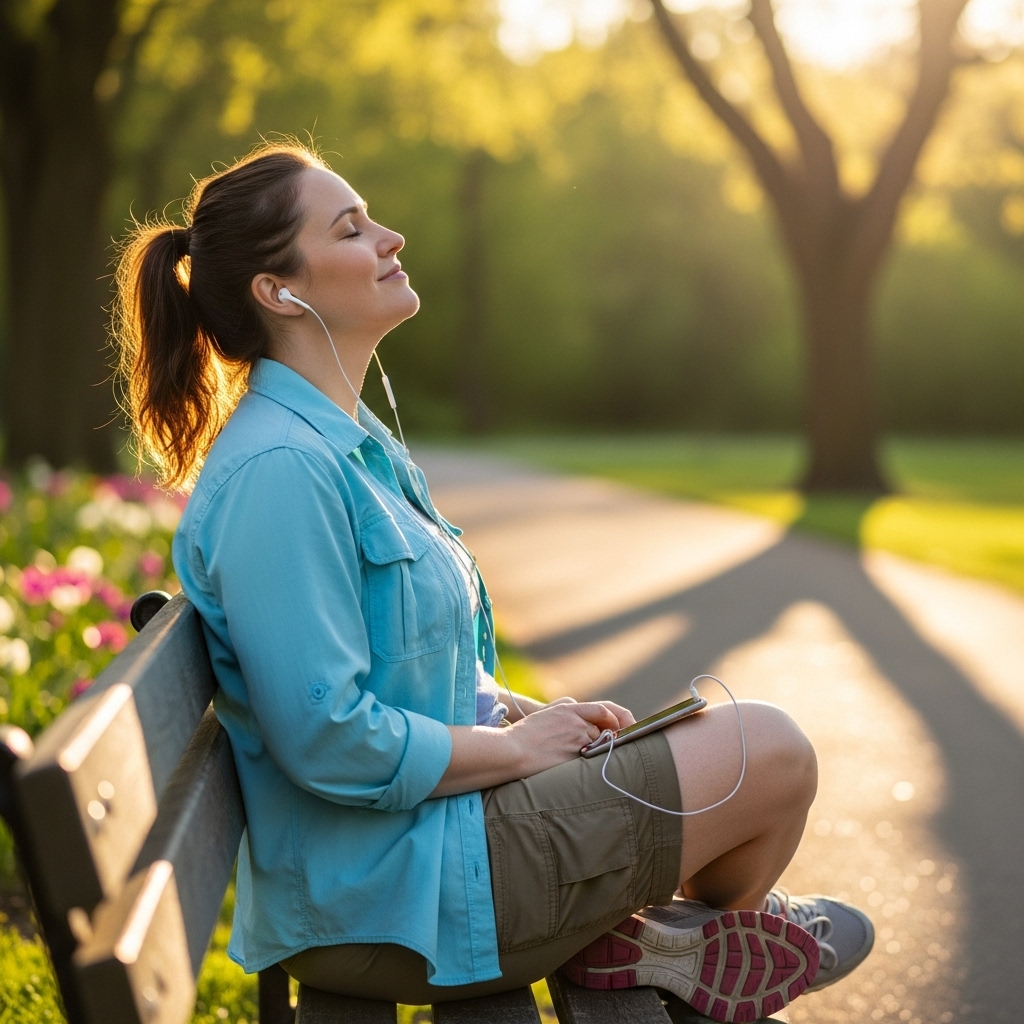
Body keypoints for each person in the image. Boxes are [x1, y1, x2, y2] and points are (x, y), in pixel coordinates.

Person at [112, 141, 873, 1023]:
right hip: (395, 904)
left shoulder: (348, 446)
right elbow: (325, 737)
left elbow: (409, 668)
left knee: (743, 752)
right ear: (281, 292)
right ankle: (689, 945)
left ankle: (671, 947)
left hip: (435, 854)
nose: (391, 237)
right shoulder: (280, 471)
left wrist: (511, 711)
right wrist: (518, 752)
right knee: (767, 752)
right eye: (352, 229)